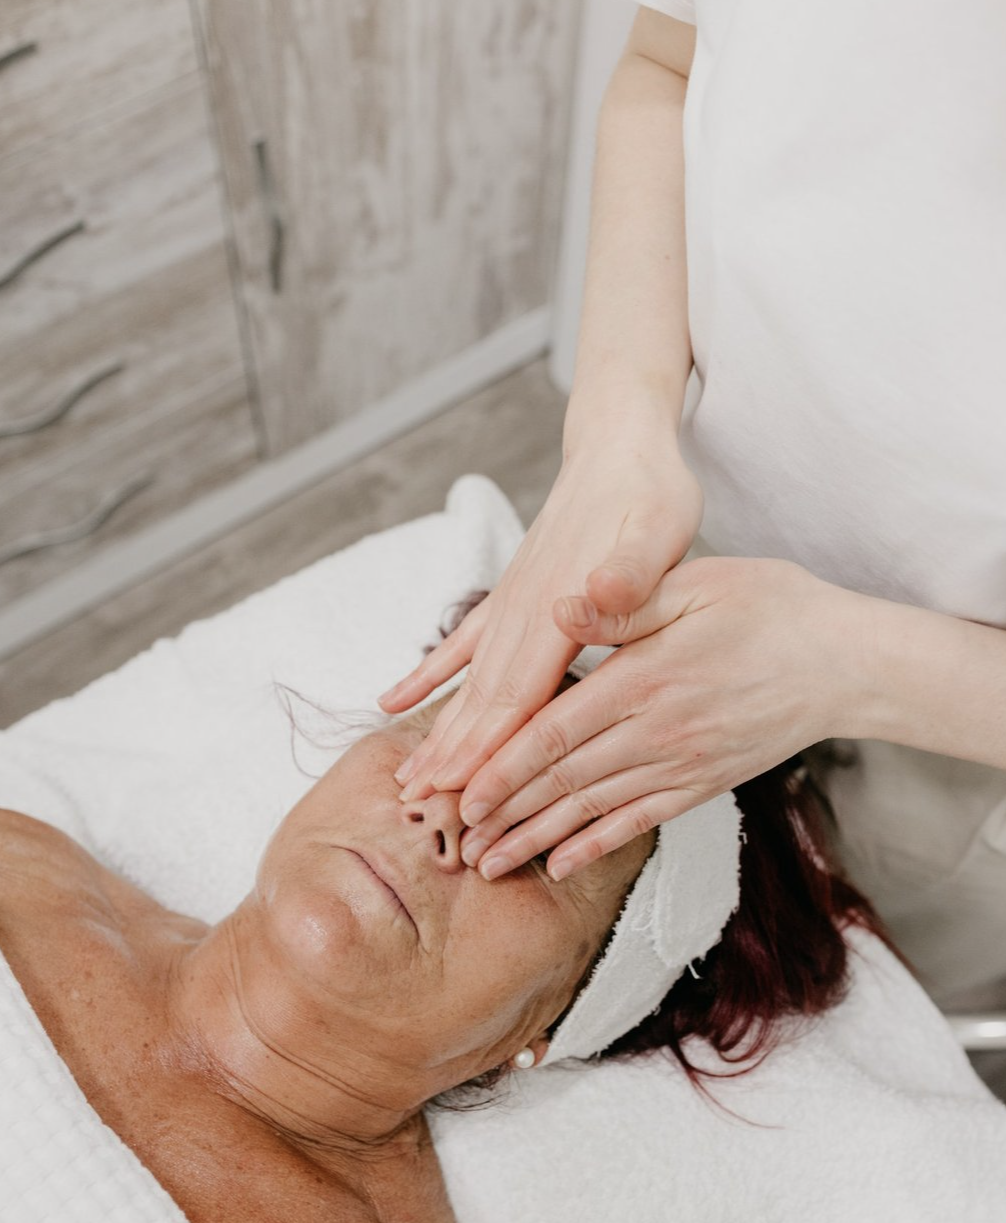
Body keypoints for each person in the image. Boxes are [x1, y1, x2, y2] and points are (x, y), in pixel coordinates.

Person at [0, 627, 880, 1223]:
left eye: (545, 847)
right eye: (452, 742)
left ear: (553, 1021)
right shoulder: (20, 874)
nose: (448, 816)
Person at [379, 1, 1006, 1013]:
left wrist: (852, 667)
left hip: (958, 737)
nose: (435, 840)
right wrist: (618, 427)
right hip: (696, 532)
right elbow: (661, 65)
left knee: (864, 953)